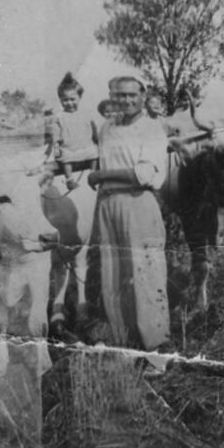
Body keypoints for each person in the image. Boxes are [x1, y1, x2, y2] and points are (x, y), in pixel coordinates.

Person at [88, 76, 170, 351]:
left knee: (145, 274)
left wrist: (101, 175)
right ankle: (125, 344)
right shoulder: (107, 129)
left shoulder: (152, 128)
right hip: (108, 205)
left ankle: (155, 349)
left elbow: (143, 174)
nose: (125, 100)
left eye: (131, 95)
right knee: (113, 276)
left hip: (138, 203)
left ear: (143, 95)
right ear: (111, 97)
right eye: (119, 95)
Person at [52, 72, 98, 190]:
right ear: (60, 100)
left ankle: (92, 174)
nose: (69, 103)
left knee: (95, 153)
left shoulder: (86, 114)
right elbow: (55, 134)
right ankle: (69, 180)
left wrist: (96, 140)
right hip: (69, 147)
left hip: (84, 145)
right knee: (66, 158)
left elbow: (93, 130)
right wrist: (56, 146)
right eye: (65, 100)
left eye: (72, 99)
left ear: (79, 98)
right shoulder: (59, 116)